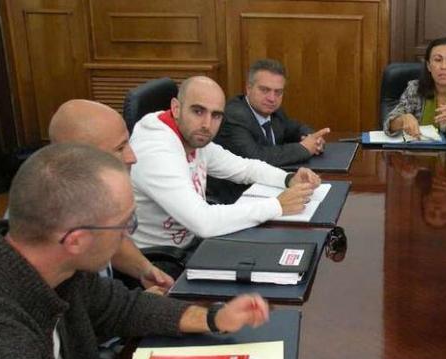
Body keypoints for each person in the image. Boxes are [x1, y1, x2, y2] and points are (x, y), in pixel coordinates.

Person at [0, 143, 299, 359]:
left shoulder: (57, 266)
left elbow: (124, 308)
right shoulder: (3, 339)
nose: (129, 235)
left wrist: (215, 318)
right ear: (75, 240)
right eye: (125, 224)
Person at [130, 76, 321, 250]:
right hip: (160, 259)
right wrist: (277, 205)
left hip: (193, 243)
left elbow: (244, 167)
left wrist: (288, 179)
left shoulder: (193, 137)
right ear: (176, 108)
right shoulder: (155, 151)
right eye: (198, 111)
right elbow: (203, 222)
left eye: (216, 115)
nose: (206, 124)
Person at [48, 99, 173, 292]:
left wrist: (144, 269)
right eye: (120, 149)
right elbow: (80, 316)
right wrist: (135, 314)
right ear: (80, 160)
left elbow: (111, 239)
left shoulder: (95, 191)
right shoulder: (53, 226)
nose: (133, 157)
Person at [211, 58, 331, 204]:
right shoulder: (234, 116)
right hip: (234, 198)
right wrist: (304, 148)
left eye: (278, 92)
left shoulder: (274, 111)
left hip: (269, 186)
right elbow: (256, 156)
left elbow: (295, 128)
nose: (272, 98)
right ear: (248, 88)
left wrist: (313, 138)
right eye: (265, 90)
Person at [384, 37, 446, 140]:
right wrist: (402, 119)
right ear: (429, 66)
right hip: (420, 151)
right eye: (438, 60)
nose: (444, 66)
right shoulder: (415, 89)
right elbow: (389, 125)